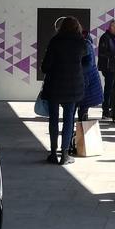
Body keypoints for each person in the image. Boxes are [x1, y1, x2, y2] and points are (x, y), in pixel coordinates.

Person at [40, 17, 89, 165]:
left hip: (54, 85)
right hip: (73, 86)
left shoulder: (55, 41)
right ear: (77, 27)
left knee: (53, 119)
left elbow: (45, 66)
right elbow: (87, 64)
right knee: (69, 120)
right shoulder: (82, 42)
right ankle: (65, 154)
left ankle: (53, 153)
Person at [77, 27, 104, 123]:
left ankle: (81, 129)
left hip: (85, 79)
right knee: (83, 106)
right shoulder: (87, 44)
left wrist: (76, 69)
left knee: (82, 105)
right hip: (87, 78)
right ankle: (81, 127)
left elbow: (88, 64)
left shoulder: (85, 45)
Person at [98, 20, 115, 115]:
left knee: (112, 88)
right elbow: (103, 53)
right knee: (108, 88)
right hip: (107, 66)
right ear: (111, 27)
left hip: (111, 65)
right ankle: (105, 111)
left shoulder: (111, 38)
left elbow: (111, 51)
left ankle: (112, 109)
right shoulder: (105, 38)